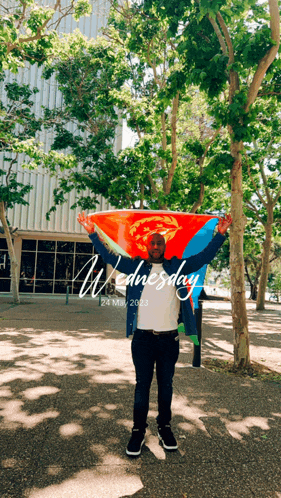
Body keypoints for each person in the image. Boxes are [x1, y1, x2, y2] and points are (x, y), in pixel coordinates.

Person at [77, 212, 232, 456]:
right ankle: (138, 431)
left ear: (165, 246)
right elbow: (109, 256)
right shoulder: (136, 266)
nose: (156, 246)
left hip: (169, 339)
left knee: (166, 386)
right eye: (153, 242)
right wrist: (92, 233)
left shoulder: (178, 266)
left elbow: (204, 257)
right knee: (142, 386)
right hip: (143, 339)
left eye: (160, 242)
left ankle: (164, 427)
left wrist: (220, 234)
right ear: (146, 246)